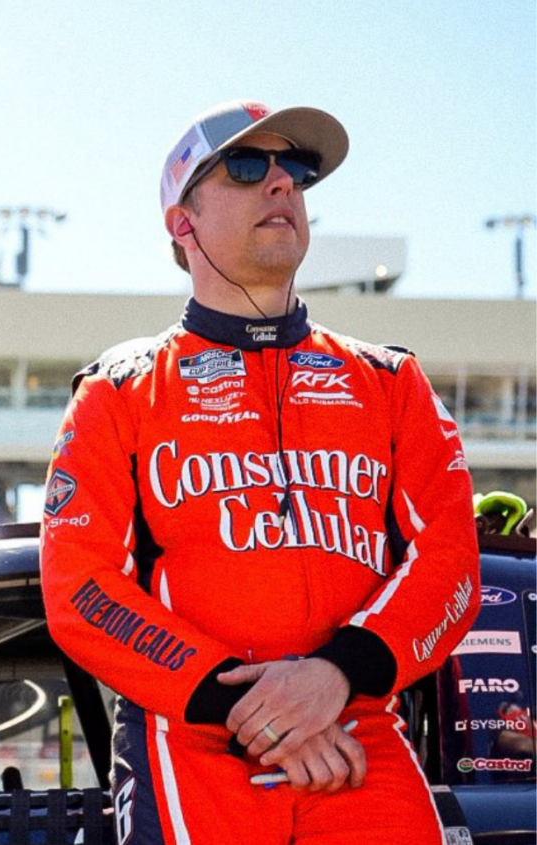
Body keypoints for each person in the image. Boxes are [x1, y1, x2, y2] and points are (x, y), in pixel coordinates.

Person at [39, 100, 481, 844]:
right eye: (248, 167)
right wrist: (249, 706)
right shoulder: (119, 391)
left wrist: (333, 677)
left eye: (296, 170)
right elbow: (81, 588)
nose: (282, 183)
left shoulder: (390, 380)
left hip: (359, 736)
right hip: (192, 741)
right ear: (183, 222)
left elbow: (451, 563)